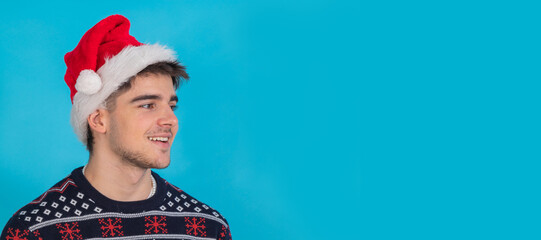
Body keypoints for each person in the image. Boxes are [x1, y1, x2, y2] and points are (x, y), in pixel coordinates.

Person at [1, 15, 232, 240]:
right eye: (148, 105)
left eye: (171, 105)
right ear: (99, 120)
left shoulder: (206, 227)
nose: (170, 119)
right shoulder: (35, 230)